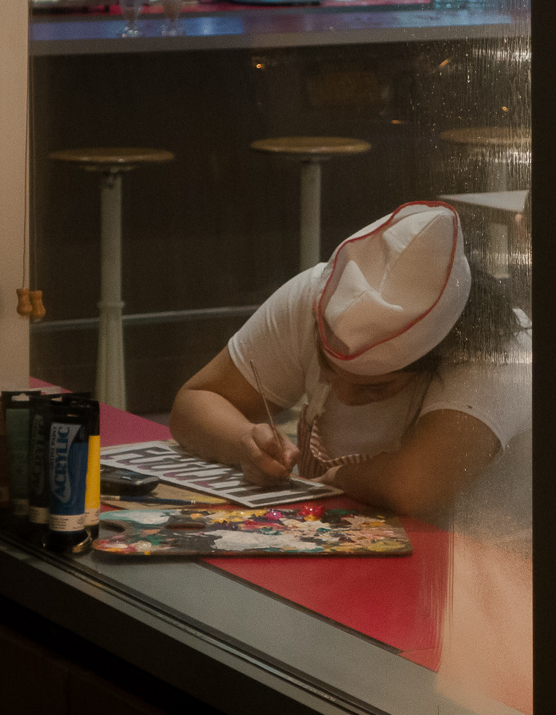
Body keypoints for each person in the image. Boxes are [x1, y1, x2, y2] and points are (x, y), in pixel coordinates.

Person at [170, 201, 529, 528]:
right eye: (328, 370)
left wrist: (335, 477)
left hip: (469, 557)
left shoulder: (499, 352)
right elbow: (194, 402)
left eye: (375, 388)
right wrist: (244, 442)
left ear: (436, 357)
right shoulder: (314, 296)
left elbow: (412, 487)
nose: (344, 395)